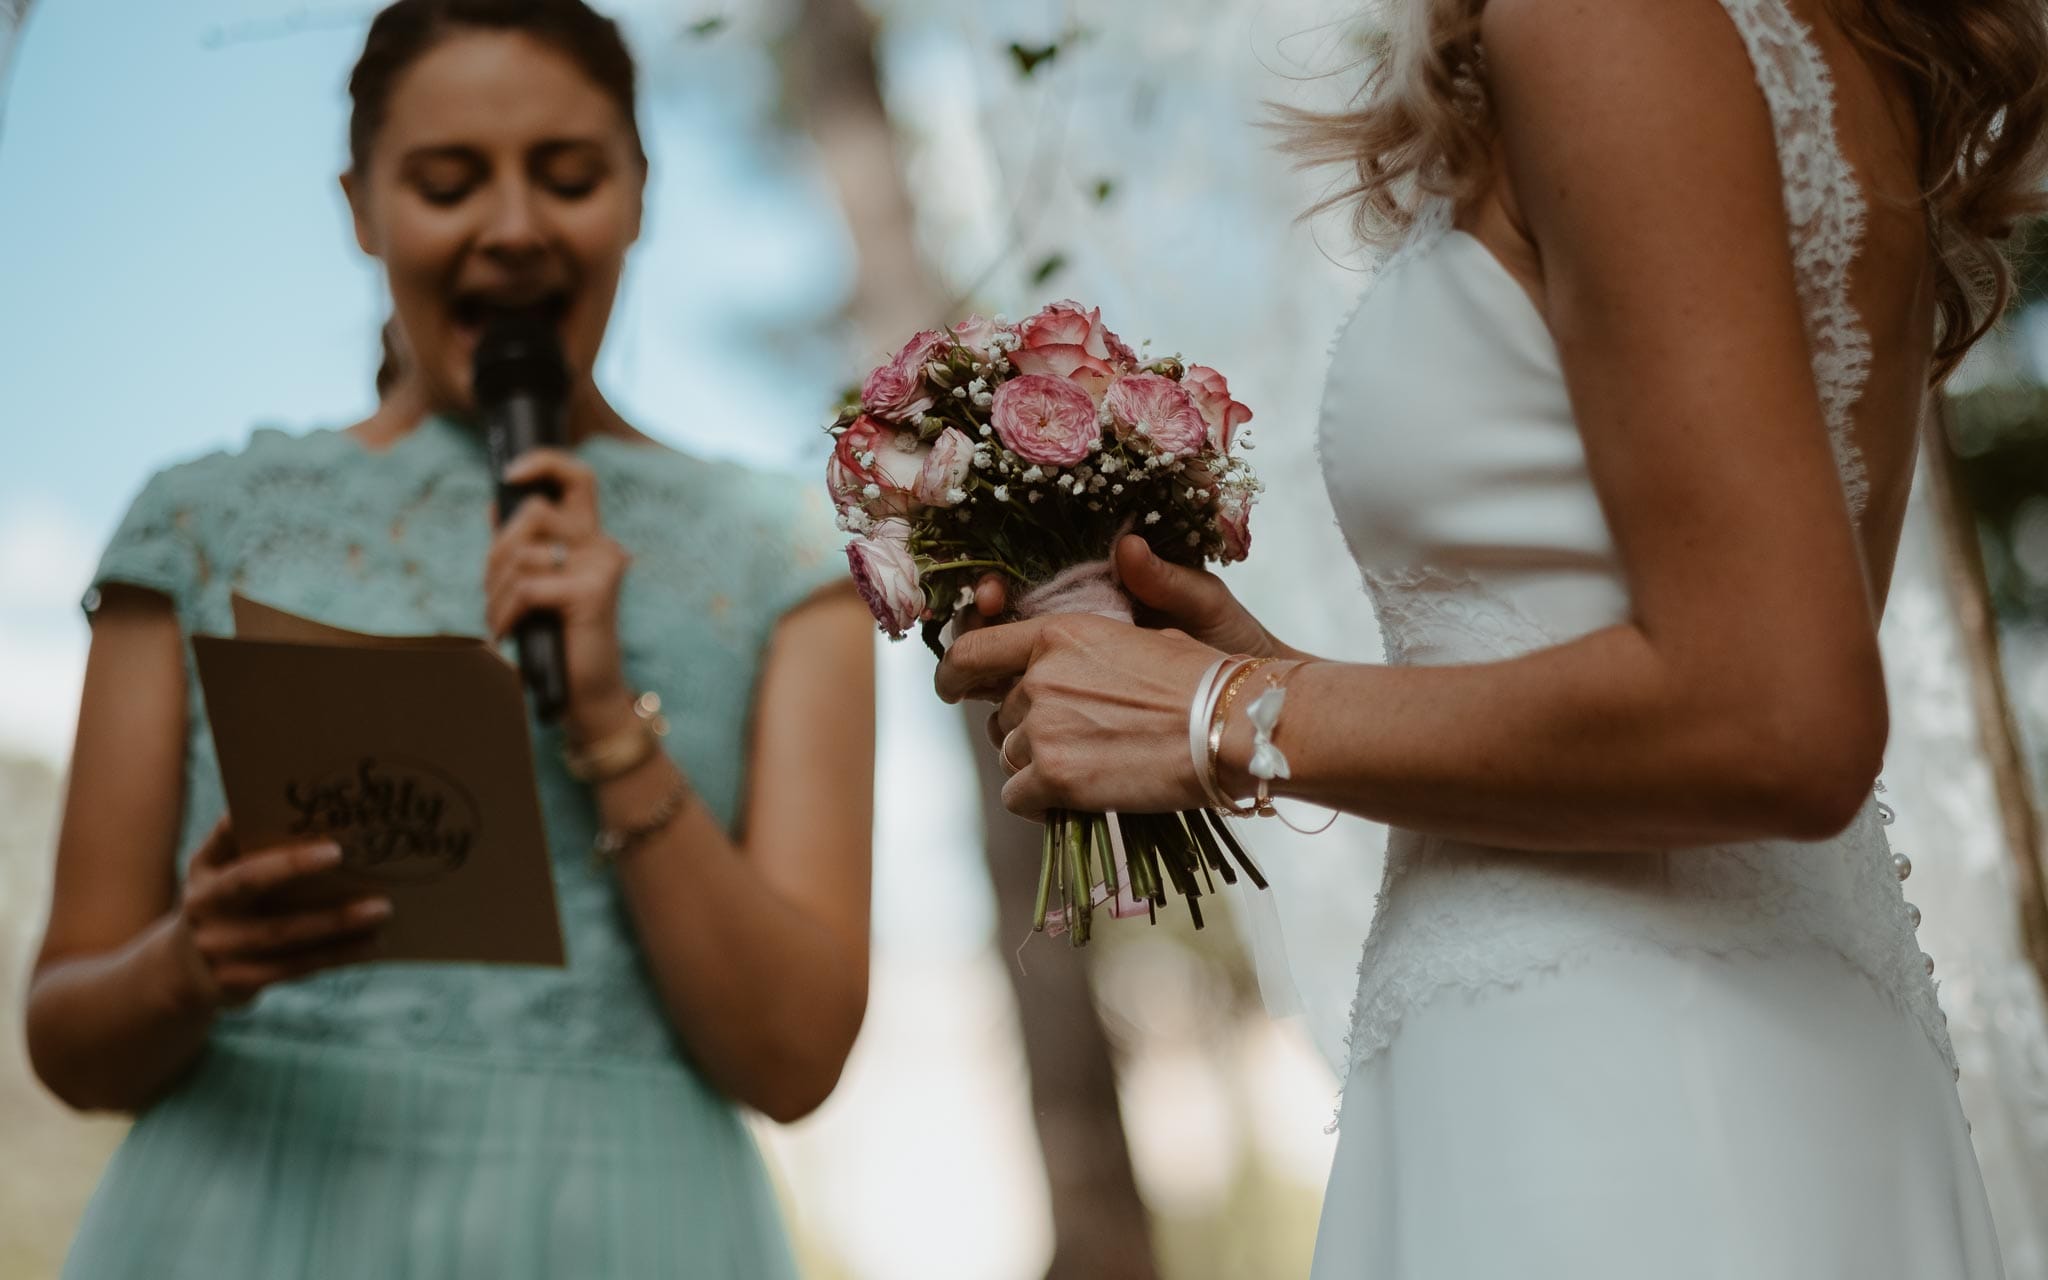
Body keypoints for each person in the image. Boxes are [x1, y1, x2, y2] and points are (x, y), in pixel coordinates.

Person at [938, 0, 2048, 1273]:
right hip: (1709, 1037)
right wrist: (1247, 675)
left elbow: (1778, 719)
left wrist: (1225, 714)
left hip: (1624, 1077)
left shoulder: (1614, 22)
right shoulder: (1827, 43)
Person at [26, 2, 873, 1276]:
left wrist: (603, 720)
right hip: (245, 1216)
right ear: (361, 208)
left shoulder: (783, 555)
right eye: (445, 182)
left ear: (639, 193)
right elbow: (67, 1034)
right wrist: (190, 962)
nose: (515, 226)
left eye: (569, 174)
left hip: (630, 1228)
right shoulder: (201, 526)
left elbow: (796, 1057)